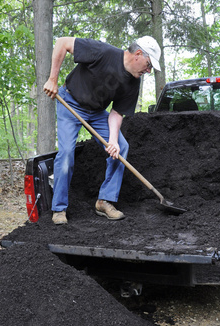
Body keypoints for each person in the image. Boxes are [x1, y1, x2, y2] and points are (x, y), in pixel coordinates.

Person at [43, 35, 162, 224]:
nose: (148, 70)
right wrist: (52, 79)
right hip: (70, 103)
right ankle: (59, 209)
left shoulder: (133, 81)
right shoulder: (102, 52)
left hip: (97, 112)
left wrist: (113, 140)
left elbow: (116, 113)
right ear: (138, 54)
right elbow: (62, 43)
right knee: (66, 154)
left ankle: (104, 200)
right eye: (148, 65)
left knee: (120, 147)